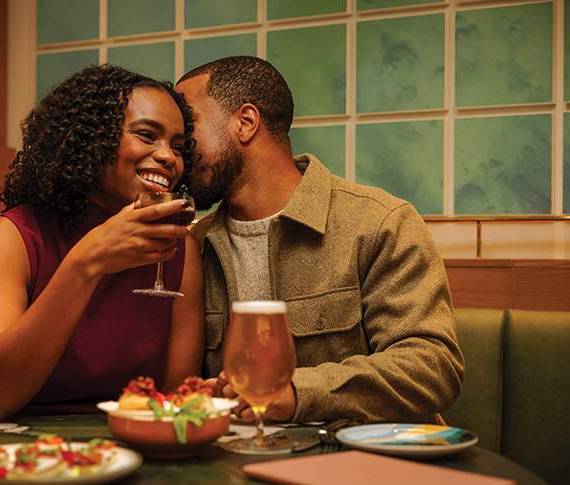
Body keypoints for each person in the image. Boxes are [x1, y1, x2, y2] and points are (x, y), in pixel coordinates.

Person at [175, 56, 464, 425]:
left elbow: (433, 368)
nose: (178, 148)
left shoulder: (378, 223)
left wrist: (300, 392)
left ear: (245, 122)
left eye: (188, 126)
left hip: (369, 464)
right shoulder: (192, 247)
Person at [0, 65, 205, 423]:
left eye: (177, 147)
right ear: (89, 139)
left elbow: (175, 403)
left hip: (124, 447)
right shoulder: (11, 238)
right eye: (147, 135)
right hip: (5, 446)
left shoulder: (179, 250)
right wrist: (87, 262)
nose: (168, 157)